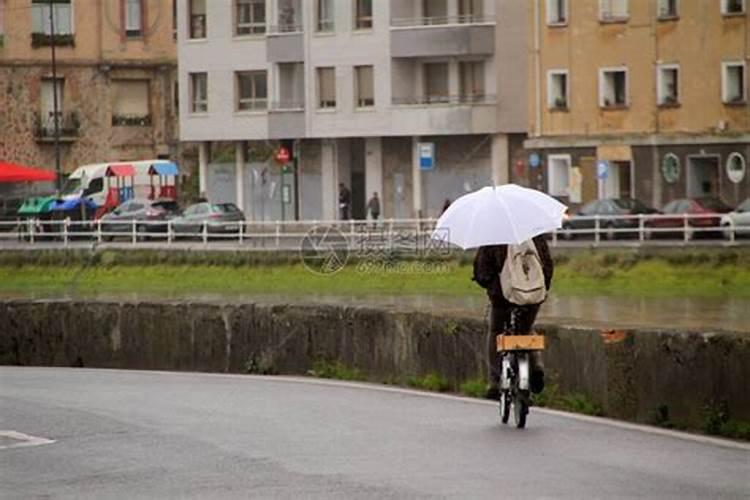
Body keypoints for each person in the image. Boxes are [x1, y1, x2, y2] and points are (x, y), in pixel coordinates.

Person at [472, 235, 554, 399]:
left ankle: (495, 381)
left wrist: (491, 287)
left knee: (496, 331)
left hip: (502, 299)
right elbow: (548, 266)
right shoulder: (535, 236)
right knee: (525, 329)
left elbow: (482, 271)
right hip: (532, 297)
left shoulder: (494, 237)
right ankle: (536, 365)